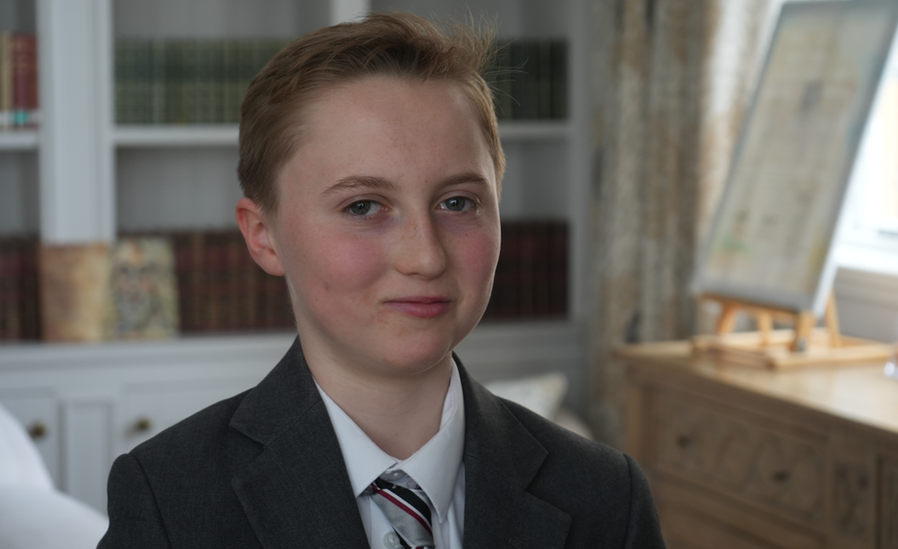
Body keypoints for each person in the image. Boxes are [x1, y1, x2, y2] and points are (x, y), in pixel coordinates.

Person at [98, 12, 665, 549]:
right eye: (364, 206)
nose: (424, 257)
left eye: (458, 201)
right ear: (263, 235)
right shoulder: (167, 499)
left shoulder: (608, 498)